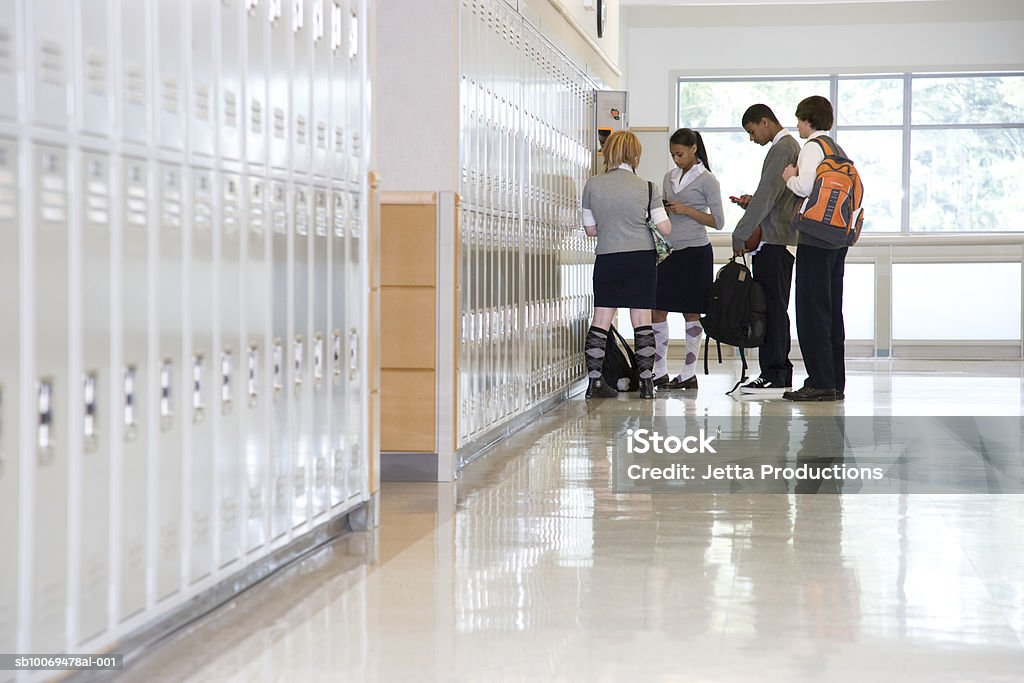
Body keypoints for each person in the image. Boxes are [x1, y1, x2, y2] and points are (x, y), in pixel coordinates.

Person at [582, 130, 671, 399]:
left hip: (608, 257)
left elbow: (590, 230)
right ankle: (646, 383)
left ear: (609, 152)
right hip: (641, 259)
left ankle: (595, 382)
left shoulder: (592, 185)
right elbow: (664, 228)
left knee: (601, 320)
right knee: (642, 319)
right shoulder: (647, 187)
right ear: (635, 155)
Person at [730, 104, 801, 397]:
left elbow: (769, 195)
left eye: (752, 131)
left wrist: (740, 233)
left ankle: (775, 373)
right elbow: (774, 196)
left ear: (765, 121)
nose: (752, 138)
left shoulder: (783, 147)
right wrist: (751, 202)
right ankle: (774, 371)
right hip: (775, 239)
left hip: (775, 243)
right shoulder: (786, 147)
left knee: (771, 309)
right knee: (772, 308)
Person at [781, 95, 847, 402]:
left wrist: (789, 178)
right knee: (832, 310)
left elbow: (805, 187)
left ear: (808, 120)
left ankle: (819, 380)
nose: (797, 126)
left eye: (799, 120)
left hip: (814, 237)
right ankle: (835, 381)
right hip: (837, 237)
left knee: (810, 310)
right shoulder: (837, 149)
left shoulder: (813, 147)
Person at [652, 128, 724, 391]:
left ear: (693, 149)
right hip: (670, 251)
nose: (676, 159)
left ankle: (688, 372)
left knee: (690, 311)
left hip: (695, 252)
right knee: (657, 309)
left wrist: (687, 210)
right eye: (672, 155)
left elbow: (718, 221)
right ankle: (659, 369)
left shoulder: (708, 180)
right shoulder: (668, 177)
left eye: (680, 154)